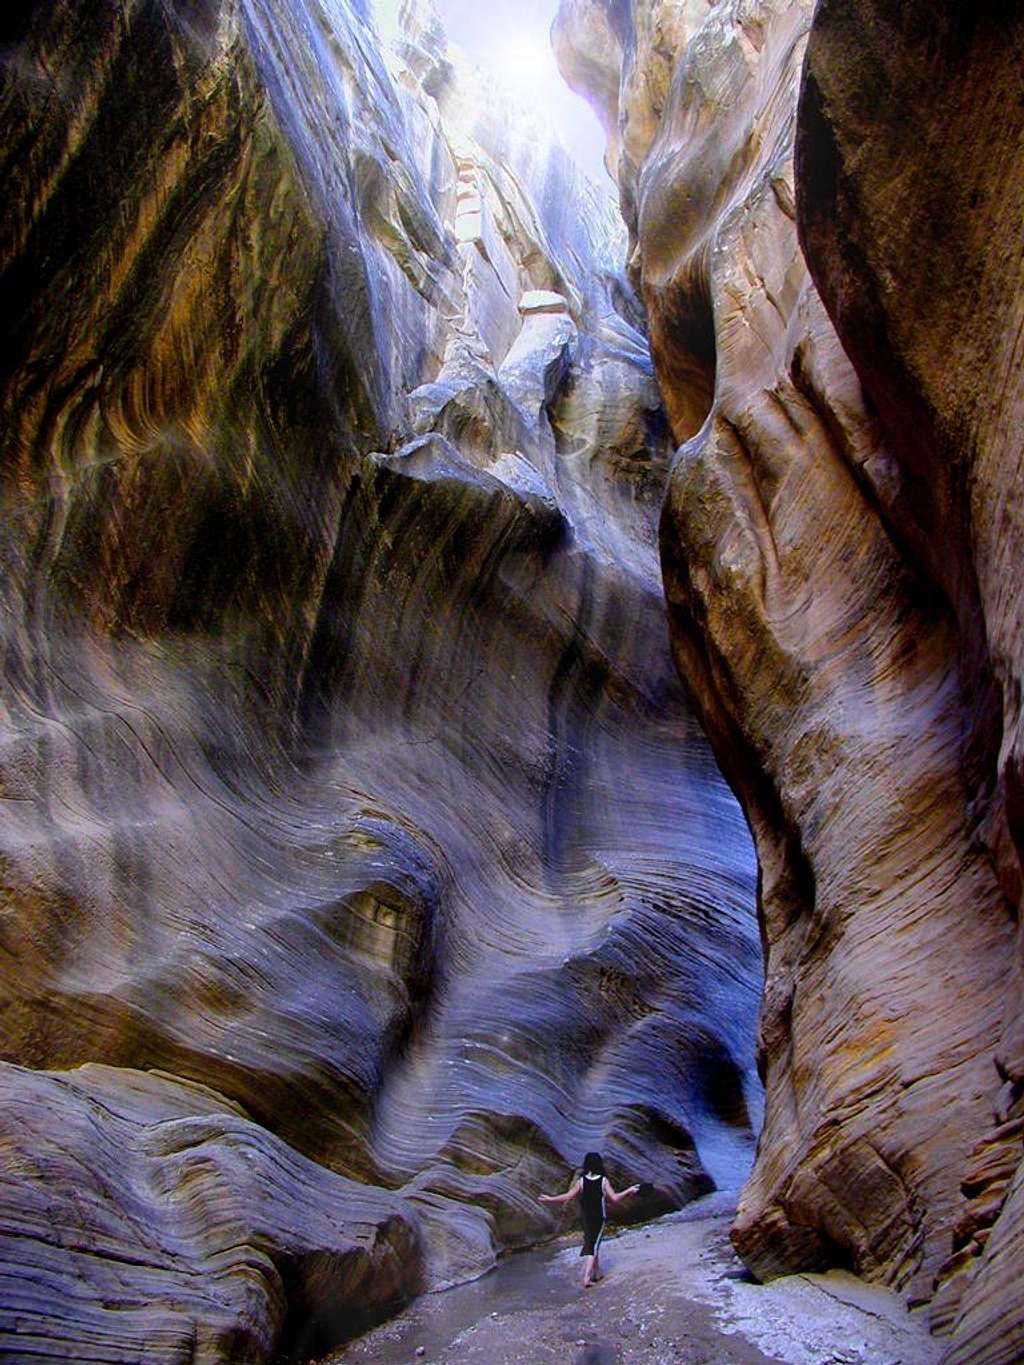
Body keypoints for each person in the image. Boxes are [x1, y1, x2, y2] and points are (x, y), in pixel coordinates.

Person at [539, 1151, 640, 1287]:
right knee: (592, 1247)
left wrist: (551, 1199)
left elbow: (567, 1196)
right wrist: (629, 1191)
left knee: (592, 1244)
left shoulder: (582, 1181)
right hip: (598, 1217)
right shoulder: (603, 1181)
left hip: (585, 1217)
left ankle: (596, 1273)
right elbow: (615, 1199)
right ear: (599, 1164)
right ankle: (586, 1278)